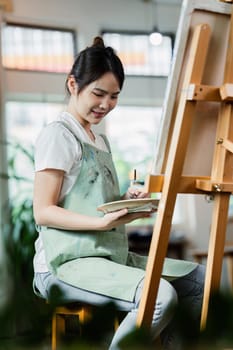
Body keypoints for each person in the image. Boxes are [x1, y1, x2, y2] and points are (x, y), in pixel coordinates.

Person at [32, 36, 205, 349]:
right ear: (73, 84)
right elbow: (43, 211)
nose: (106, 104)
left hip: (110, 259)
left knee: (199, 280)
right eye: (98, 93)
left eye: (114, 96)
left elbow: (96, 204)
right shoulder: (58, 135)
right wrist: (101, 224)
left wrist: (130, 199)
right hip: (64, 264)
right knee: (159, 296)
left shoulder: (100, 141)